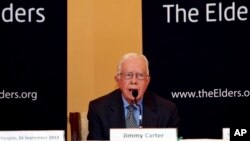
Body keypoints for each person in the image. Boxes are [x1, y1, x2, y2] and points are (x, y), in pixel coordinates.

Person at [87, 52, 180, 140]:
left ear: (147, 81)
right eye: (128, 75)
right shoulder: (99, 109)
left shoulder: (167, 111)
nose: (134, 81)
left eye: (140, 75)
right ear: (118, 80)